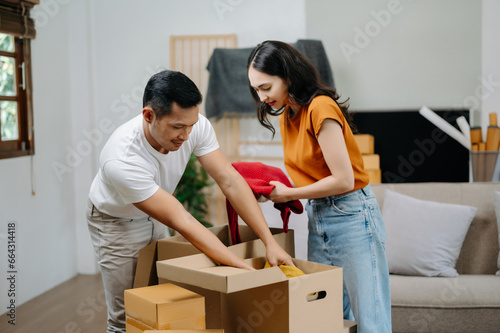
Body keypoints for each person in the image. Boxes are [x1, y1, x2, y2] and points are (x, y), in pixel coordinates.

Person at [86, 69, 293, 333]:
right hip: (115, 222)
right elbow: (181, 218)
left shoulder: (194, 125)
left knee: (160, 302)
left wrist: (269, 242)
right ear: (149, 116)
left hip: (154, 212)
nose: (186, 135)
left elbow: (228, 179)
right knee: (127, 317)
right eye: (177, 127)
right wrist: (244, 268)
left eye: (191, 125)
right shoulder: (122, 160)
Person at [247, 40, 392, 333]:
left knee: (371, 323)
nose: (262, 97)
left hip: (352, 215)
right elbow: (312, 175)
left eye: (266, 87)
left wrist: (288, 193)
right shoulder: (289, 114)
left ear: (287, 76)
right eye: (256, 90)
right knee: (328, 318)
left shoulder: (319, 108)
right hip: (320, 216)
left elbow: (343, 180)